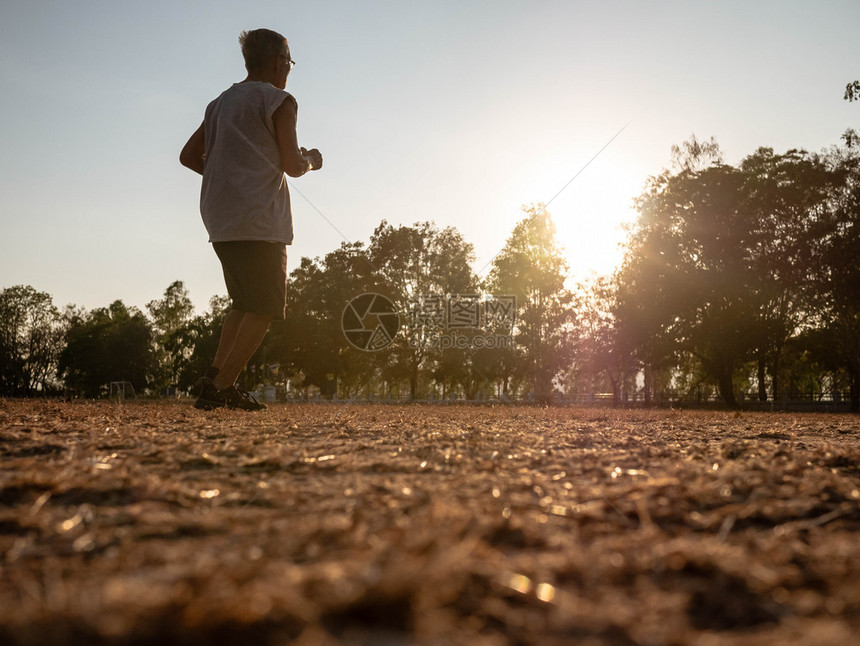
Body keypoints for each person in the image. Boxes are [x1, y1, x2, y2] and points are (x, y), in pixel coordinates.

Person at [180, 28, 322, 410]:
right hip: (259, 219)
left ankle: (214, 377)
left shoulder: (219, 103)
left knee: (242, 303)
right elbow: (292, 164)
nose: (289, 70)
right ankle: (223, 387)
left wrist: (228, 175)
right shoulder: (280, 101)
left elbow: (189, 156)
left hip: (220, 217)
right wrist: (312, 159)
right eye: (289, 62)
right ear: (278, 62)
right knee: (264, 305)